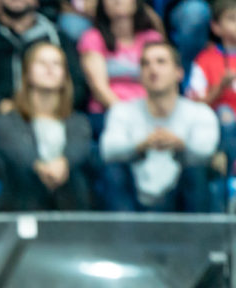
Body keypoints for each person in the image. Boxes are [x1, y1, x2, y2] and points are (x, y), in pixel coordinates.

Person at [101, 41, 218, 212]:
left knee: (196, 171)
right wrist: (140, 146)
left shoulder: (200, 112)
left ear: (179, 73)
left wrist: (181, 145)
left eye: (161, 62)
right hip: (133, 198)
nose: (152, 69)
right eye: (145, 63)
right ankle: (123, 230)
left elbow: (207, 152)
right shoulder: (122, 111)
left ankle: (196, 230)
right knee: (113, 171)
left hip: (179, 199)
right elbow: (107, 151)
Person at [0, 0, 86, 147]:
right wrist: (1, 104)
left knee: (78, 125)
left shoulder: (55, 35)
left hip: (50, 108)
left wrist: (53, 107)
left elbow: (78, 86)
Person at [0, 41, 92, 210]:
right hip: (21, 206)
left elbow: (78, 150)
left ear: (65, 76)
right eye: (41, 63)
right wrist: (41, 167)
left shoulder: (79, 122)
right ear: (27, 73)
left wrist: (63, 164)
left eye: (56, 63)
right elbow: (19, 155)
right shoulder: (9, 120)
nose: (49, 68)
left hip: (70, 206)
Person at [77, 0, 162, 117]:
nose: (117, 1)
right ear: (102, 5)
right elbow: (99, 88)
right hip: (108, 113)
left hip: (150, 112)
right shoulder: (93, 38)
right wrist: (127, 116)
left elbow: (163, 81)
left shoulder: (152, 38)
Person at [185, 0, 236, 170]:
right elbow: (194, 105)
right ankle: (231, 175)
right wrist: (220, 87)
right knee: (225, 114)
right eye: (232, 19)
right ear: (216, 27)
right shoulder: (205, 60)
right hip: (219, 123)